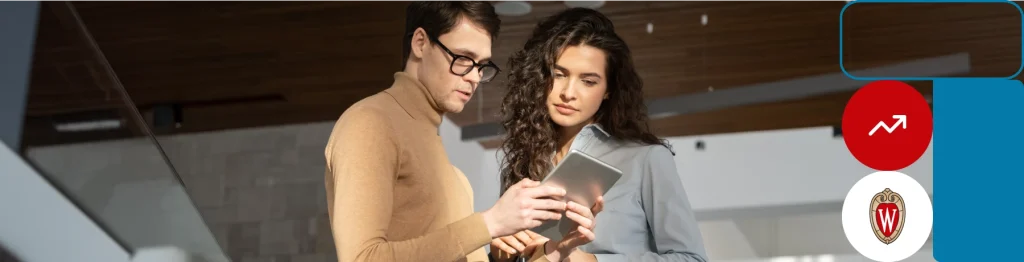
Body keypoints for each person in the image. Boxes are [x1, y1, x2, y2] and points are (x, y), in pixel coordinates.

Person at [323, 1, 577, 261]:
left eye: (481, 66)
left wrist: (551, 252)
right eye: (464, 58)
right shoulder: (370, 123)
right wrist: (489, 224)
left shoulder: (448, 169)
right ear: (420, 43)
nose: (474, 77)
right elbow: (361, 258)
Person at [490, 8, 710, 262]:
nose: (568, 93)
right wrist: (499, 255)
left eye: (588, 81)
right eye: (558, 75)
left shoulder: (646, 159)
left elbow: (692, 259)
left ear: (609, 90)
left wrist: (593, 261)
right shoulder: (523, 164)